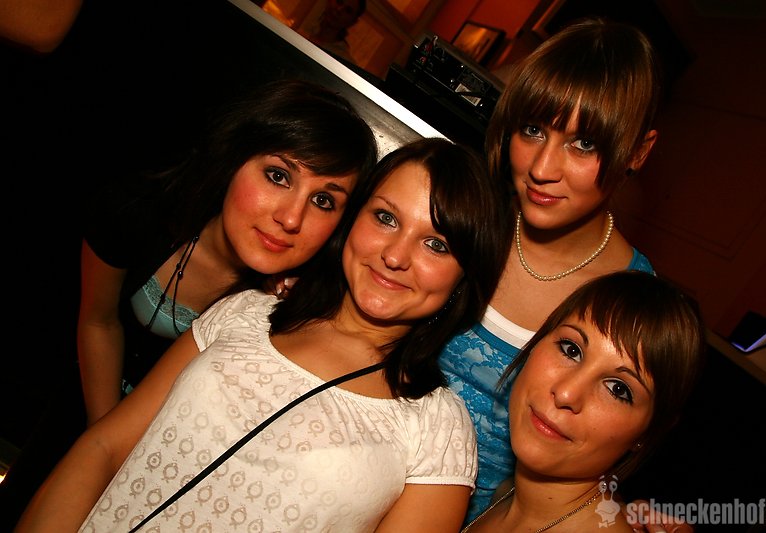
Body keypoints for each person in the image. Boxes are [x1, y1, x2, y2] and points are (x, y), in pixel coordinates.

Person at [15, 137, 512, 532]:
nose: (395, 255)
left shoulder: (438, 430)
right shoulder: (246, 312)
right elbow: (104, 449)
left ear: (464, 278)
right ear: (352, 220)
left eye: (436, 244)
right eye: (385, 218)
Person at [438, 17, 662, 522]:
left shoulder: (632, 299)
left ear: (638, 152)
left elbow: (602, 455)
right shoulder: (464, 216)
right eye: (534, 129)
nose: (541, 168)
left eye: (584, 144)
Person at [78, 77, 377, 426]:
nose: (291, 218)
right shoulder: (138, 209)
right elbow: (98, 322)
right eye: (278, 176)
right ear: (235, 158)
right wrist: (103, 444)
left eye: (323, 200)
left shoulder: (308, 303)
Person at [461, 271, 706, 532]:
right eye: (571, 349)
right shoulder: (506, 494)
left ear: (648, 432)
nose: (566, 394)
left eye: (618, 389)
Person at [304, 0, 366, 64]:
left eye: (348, 10)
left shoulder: (343, 61)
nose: (339, 9)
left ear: (352, 22)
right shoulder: (305, 30)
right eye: (339, 1)